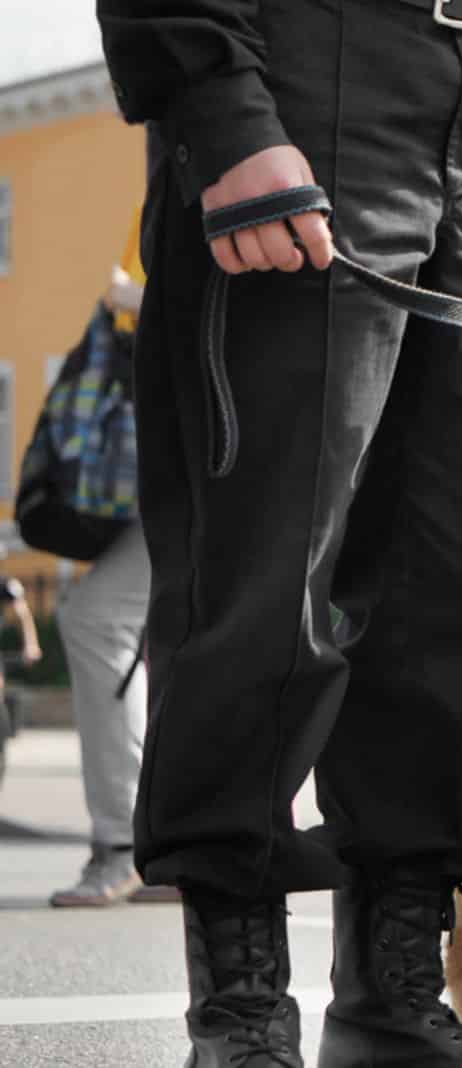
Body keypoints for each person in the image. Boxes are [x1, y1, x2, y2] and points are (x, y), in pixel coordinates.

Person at [95, 0, 462, 1064]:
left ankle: (390, 992)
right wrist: (221, 109)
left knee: (451, 597)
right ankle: (243, 1008)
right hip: (310, 82)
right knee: (263, 583)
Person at [48, 251, 178, 909]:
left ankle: (136, 845)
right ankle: (180, 847)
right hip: (188, 457)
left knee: (98, 617)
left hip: (221, 452)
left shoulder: (218, 156)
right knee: (200, 631)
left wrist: (132, 300)